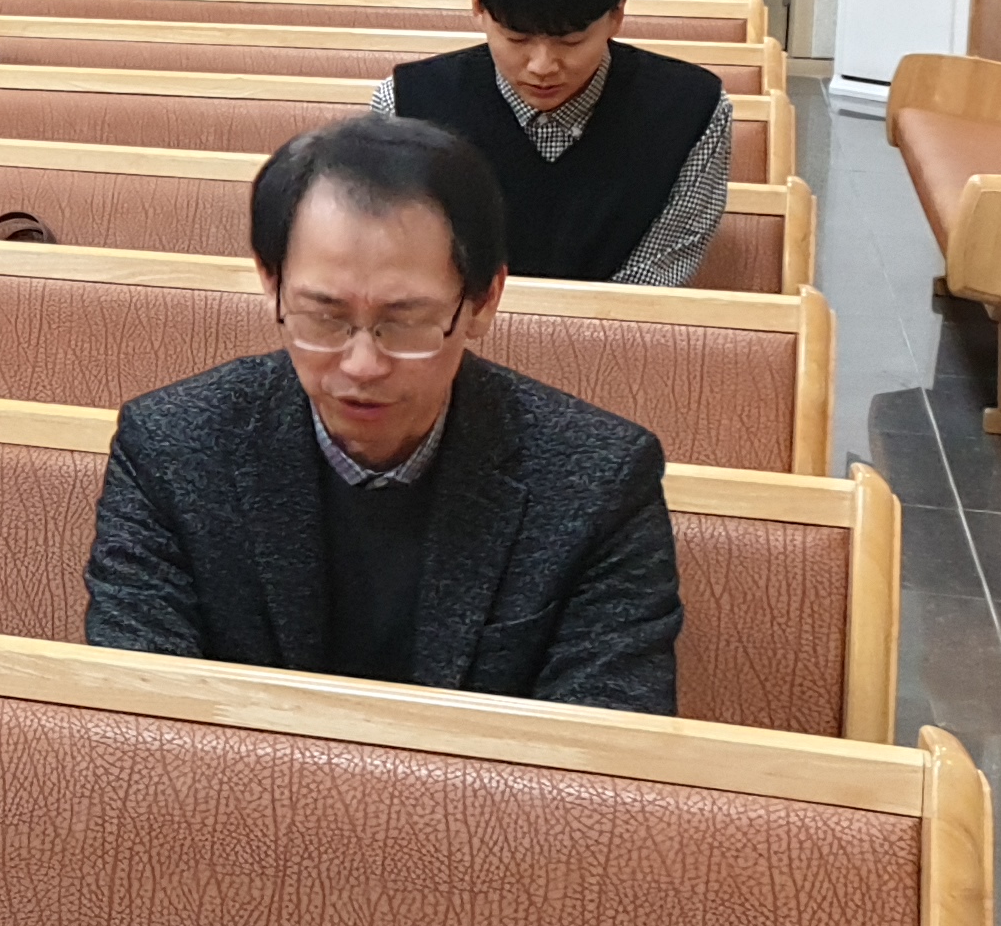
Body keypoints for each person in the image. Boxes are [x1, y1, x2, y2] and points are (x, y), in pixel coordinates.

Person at [82, 115, 682, 711]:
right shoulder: (170, 449)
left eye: (405, 321)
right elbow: (141, 718)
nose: (362, 365)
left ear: (483, 302)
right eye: (325, 317)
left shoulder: (598, 481)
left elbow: (602, 744)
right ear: (271, 283)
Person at [371, 0, 732, 287]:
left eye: (571, 41)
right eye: (517, 39)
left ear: (617, 14)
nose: (542, 67)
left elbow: (657, 272)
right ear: (478, 7)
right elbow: (401, 259)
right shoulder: (405, 107)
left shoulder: (693, 110)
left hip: (624, 324)